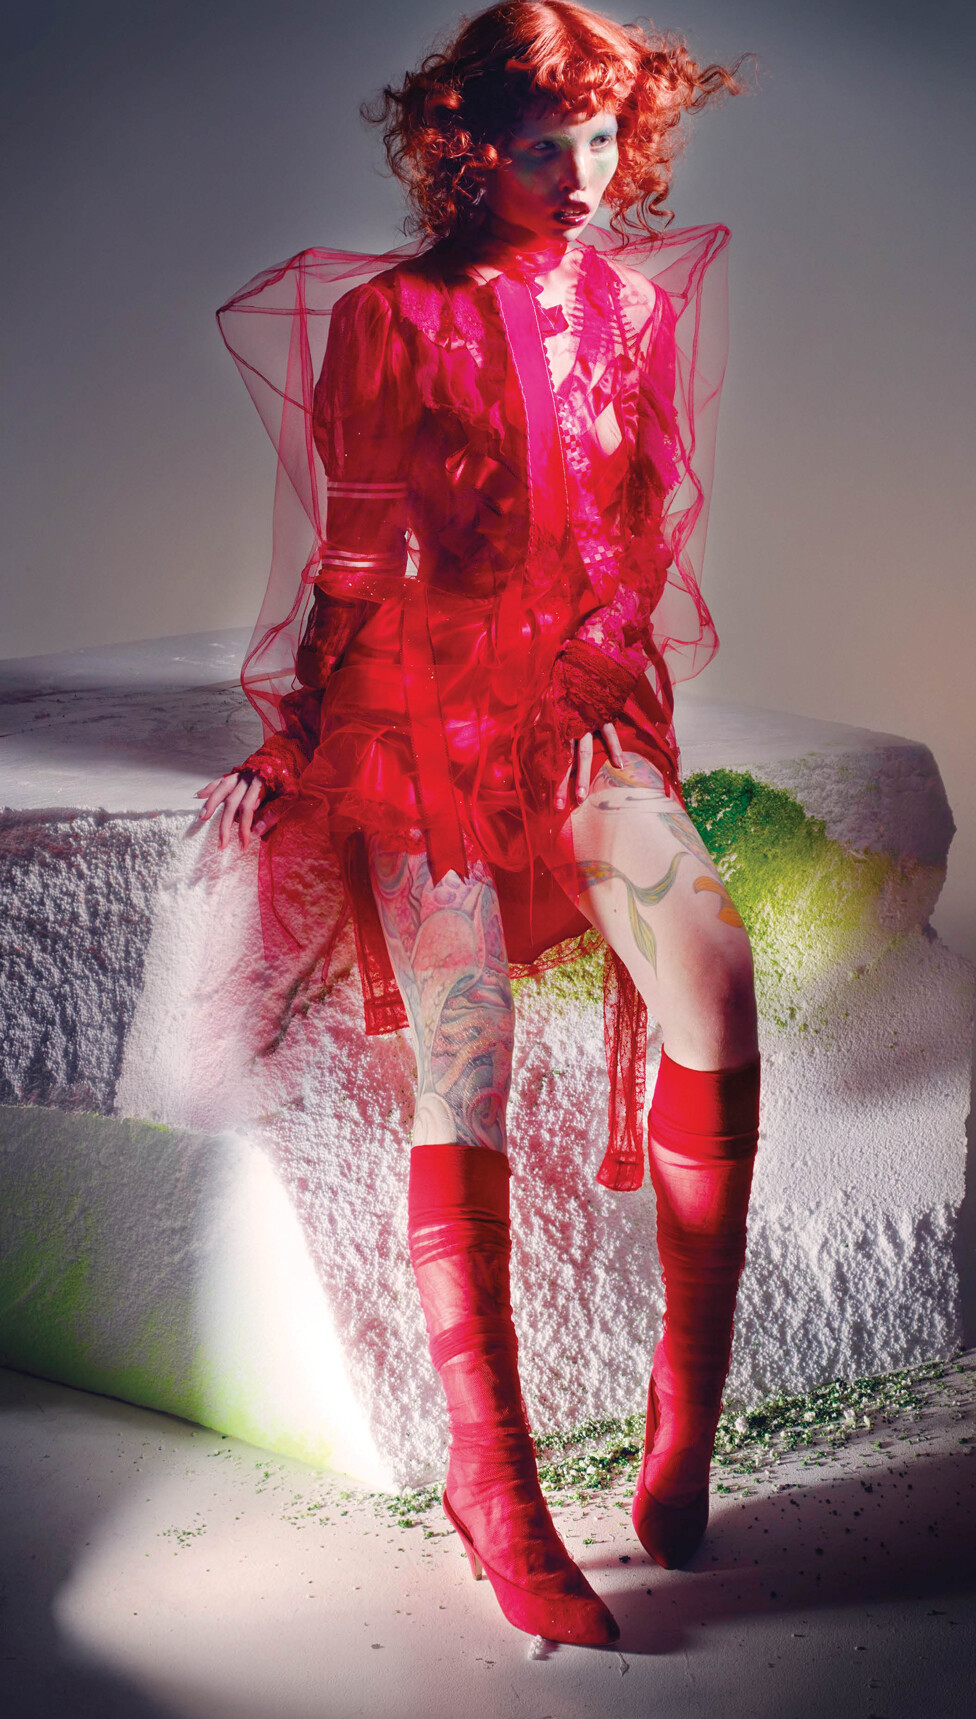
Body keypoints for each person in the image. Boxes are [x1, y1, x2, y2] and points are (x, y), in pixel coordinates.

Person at [199, 1, 758, 1648]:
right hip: (421, 714)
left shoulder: (634, 307)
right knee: (470, 1047)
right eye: (541, 143)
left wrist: (601, 663)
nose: (579, 173)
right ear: (467, 146)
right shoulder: (386, 318)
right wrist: (301, 730)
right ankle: (491, 1477)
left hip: (576, 701)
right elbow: (352, 554)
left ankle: (687, 1411)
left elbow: (638, 523)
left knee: (716, 979)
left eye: (600, 136)